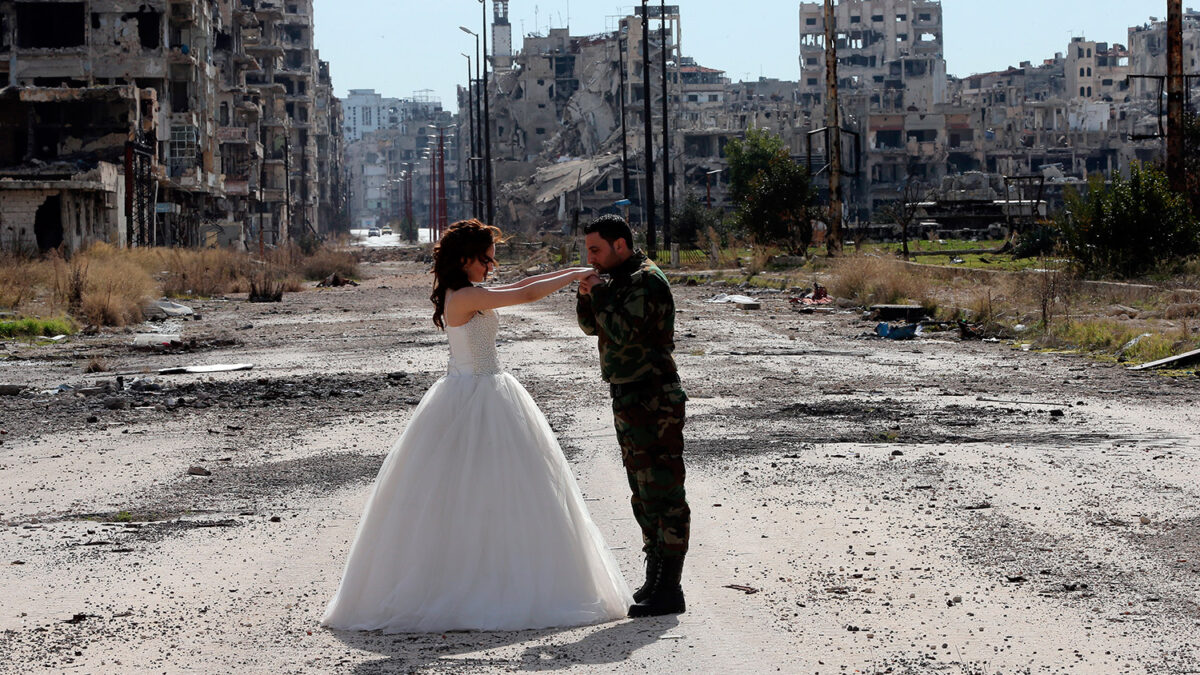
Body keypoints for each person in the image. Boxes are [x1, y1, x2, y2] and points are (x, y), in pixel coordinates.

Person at [321, 220, 632, 633]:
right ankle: (474, 584)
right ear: (466, 258)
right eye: (487, 257)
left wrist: (571, 272)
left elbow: (526, 281)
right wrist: (575, 274)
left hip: (480, 392)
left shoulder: (469, 292)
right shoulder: (464, 296)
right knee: (472, 492)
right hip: (475, 394)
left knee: (490, 491)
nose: (492, 264)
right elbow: (524, 294)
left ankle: (491, 573)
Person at [576, 214, 691, 618]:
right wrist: (586, 294)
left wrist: (601, 295)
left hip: (654, 397)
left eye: (595, 250)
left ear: (619, 245)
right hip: (627, 396)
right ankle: (655, 576)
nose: (589, 258)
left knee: (664, 491)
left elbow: (627, 331)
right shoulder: (615, 280)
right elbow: (593, 327)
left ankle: (670, 588)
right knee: (642, 492)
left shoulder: (645, 279)